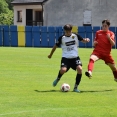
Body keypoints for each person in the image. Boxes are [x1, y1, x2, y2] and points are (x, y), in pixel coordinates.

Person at [48, 24, 90, 92]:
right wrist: (50, 54)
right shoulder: (62, 38)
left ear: (71, 30)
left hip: (75, 57)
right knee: (63, 70)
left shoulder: (75, 36)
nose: (67, 33)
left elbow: (82, 40)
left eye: (69, 31)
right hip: (66, 58)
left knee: (80, 69)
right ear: (64, 31)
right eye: (66, 31)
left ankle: (75, 88)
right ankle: (58, 79)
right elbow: (55, 46)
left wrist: (86, 40)